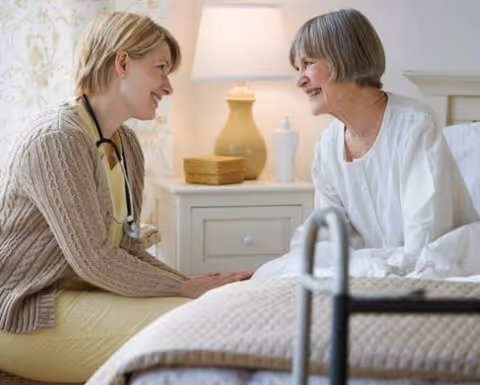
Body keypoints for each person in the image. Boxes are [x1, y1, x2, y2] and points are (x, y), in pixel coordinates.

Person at [0, 12, 252, 383]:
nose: (168, 86)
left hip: (77, 296)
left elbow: (129, 249)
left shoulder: (125, 142)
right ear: (122, 63)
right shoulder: (56, 139)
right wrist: (185, 288)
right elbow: (94, 259)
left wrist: (200, 287)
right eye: (161, 69)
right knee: (191, 331)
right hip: (25, 310)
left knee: (208, 313)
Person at [254, 8, 480, 280]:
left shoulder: (414, 127)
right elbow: (328, 241)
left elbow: (424, 248)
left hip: (439, 270)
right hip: (373, 276)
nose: (299, 80)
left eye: (309, 63)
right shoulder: (327, 146)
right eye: (297, 68)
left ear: (346, 57)